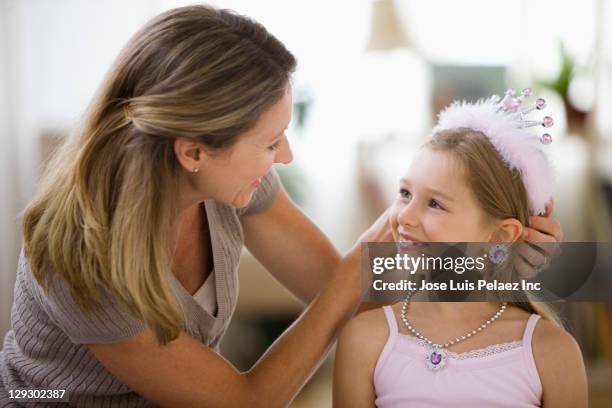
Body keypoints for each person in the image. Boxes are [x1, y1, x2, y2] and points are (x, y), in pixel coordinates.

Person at [0, 6, 563, 407]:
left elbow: (347, 290)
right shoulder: (79, 260)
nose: (285, 155)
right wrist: (358, 270)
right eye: (270, 143)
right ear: (193, 151)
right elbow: (250, 397)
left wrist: (490, 260)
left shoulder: (234, 183)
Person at [333, 89, 587, 407]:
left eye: (436, 204)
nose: (404, 218)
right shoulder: (365, 340)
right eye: (405, 193)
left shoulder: (550, 351)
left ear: (501, 235)